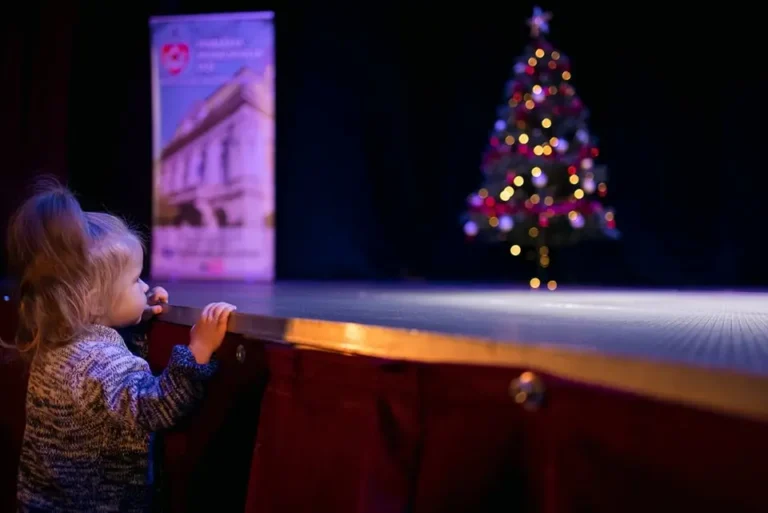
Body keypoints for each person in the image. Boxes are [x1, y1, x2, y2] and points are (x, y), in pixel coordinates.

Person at [5, 181, 236, 512]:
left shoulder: (61, 344)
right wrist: (198, 350)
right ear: (93, 301)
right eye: (134, 280)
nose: (144, 286)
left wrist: (136, 320)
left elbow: (114, 392)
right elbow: (157, 407)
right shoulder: (97, 362)